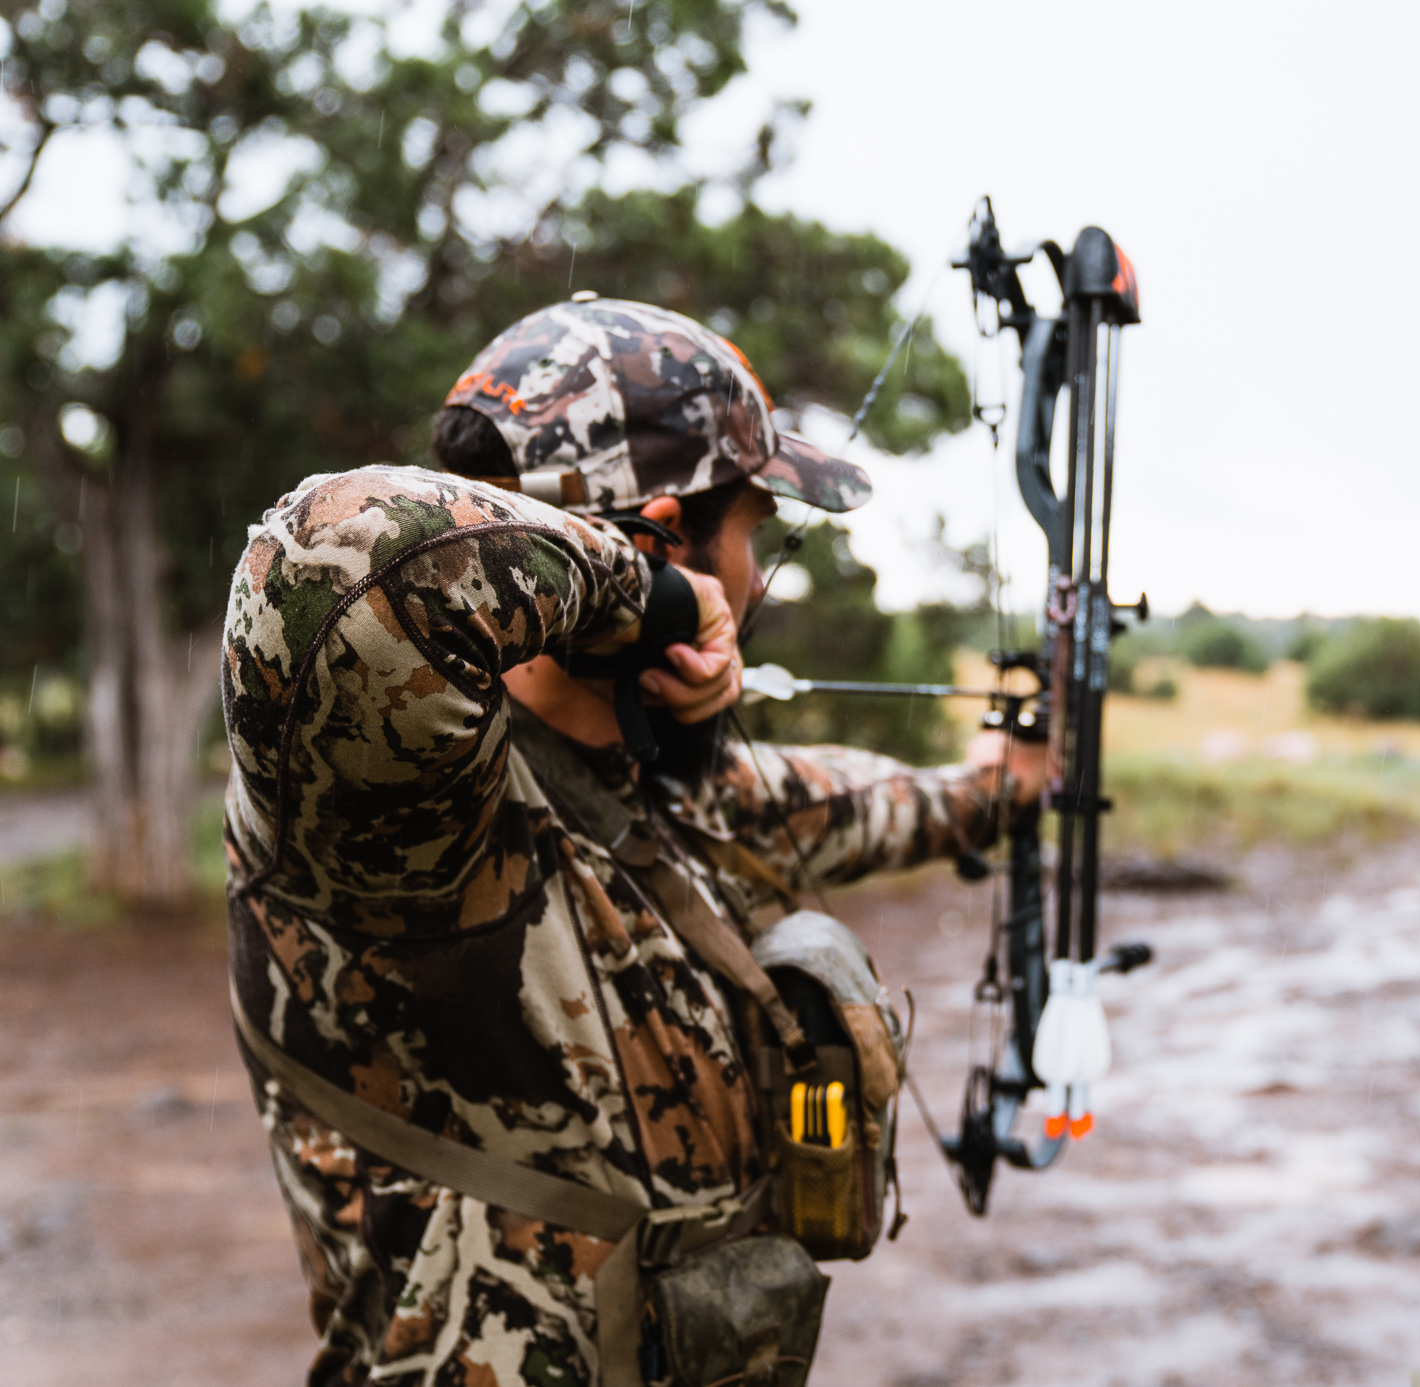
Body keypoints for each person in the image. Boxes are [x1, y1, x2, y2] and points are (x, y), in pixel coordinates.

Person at [222, 296, 1042, 1386]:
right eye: (749, 528)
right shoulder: (401, 808)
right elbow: (339, 554)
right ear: (659, 534)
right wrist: (640, 595)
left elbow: (869, 800)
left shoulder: (675, 787)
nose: (754, 578)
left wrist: (1007, 781)